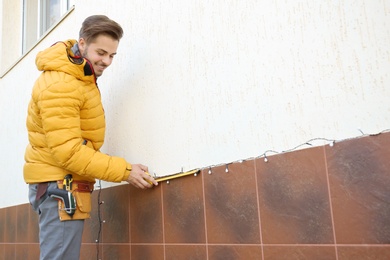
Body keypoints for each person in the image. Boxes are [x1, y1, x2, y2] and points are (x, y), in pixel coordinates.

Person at [24, 15, 158, 259]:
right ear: (82, 43)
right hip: (61, 188)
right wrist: (126, 171)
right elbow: (68, 152)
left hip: (62, 186)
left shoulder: (78, 78)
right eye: (101, 53)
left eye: (112, 56)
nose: (106, 61)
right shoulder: (62, 84)